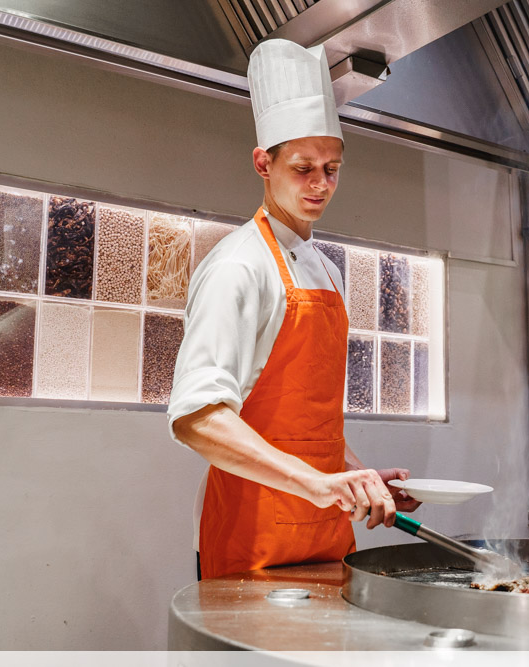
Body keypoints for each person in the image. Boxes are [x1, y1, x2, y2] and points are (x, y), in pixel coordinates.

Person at [167, 39, 420, 580]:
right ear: (263, 162)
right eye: (303, 167)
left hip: (326, 529)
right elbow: (197, 418)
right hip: (251, 536)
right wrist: (313, 482)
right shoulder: (239, 265)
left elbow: (306, 422)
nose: (320, 184)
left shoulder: (324, 269)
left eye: (332, 168)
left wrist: (353, 476)